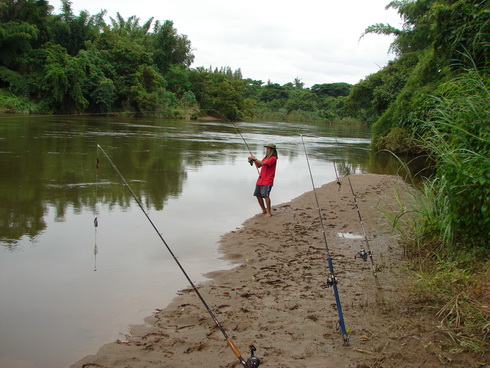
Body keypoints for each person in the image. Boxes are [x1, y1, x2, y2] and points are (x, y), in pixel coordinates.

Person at [248, 143, 278, 217]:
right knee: (258, 195)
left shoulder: (273, 158)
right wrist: (253, 160)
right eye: (267, 148)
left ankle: (269, 212)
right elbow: (259, 165)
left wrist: (255, 159)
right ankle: (263, 210)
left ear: (272, 150)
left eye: (268, 149)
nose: (267, 150)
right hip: (261, 179)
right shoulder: (266, 157)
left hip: (268, 180)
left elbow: (264, 163)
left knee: (265, 195)